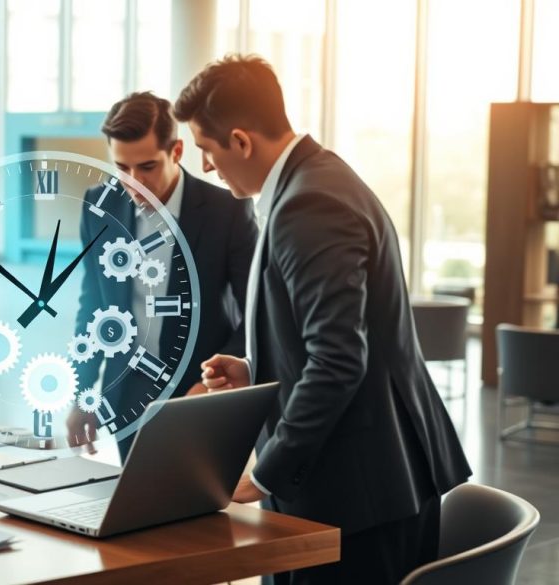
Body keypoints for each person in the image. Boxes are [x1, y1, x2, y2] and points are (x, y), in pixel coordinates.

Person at [176, 55, 471, 583]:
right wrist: (256, 366)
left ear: (241, 141)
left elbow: (338, 360)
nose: (206, 168)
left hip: (358, 497)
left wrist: (264, 474)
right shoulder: (315, 179)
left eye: (206, 149)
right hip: (364, 485)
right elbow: (336, 339)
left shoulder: (309, 204)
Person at [67, 91, 257, 460]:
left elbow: (255, 313)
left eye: (147, 167)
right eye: (122, 168)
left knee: (199, 511)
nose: (134, 181)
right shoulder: (97, 207)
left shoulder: (228, 211)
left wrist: (216, 381)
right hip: (128, 391)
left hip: (199, 391)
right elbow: (93, 308)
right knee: (135, 511)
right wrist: (82, 392)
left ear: (177, 152)